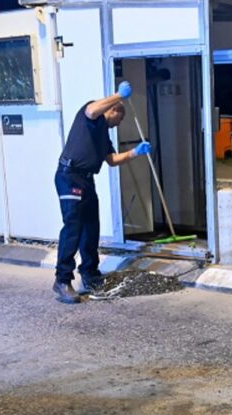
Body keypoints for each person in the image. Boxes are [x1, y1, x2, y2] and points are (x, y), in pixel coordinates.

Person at [52, 81, 152, 304]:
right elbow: (92, 110)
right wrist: (119, 95)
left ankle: (90, 274)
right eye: (120, 119)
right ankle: (62, 280)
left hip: (87, 181)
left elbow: (112, 161)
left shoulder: (103, 136)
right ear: (114, 109)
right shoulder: (91, 114)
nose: (119, 124)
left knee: (91, 229)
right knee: (73, 229)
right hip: (70, 176)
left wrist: (135, 152)